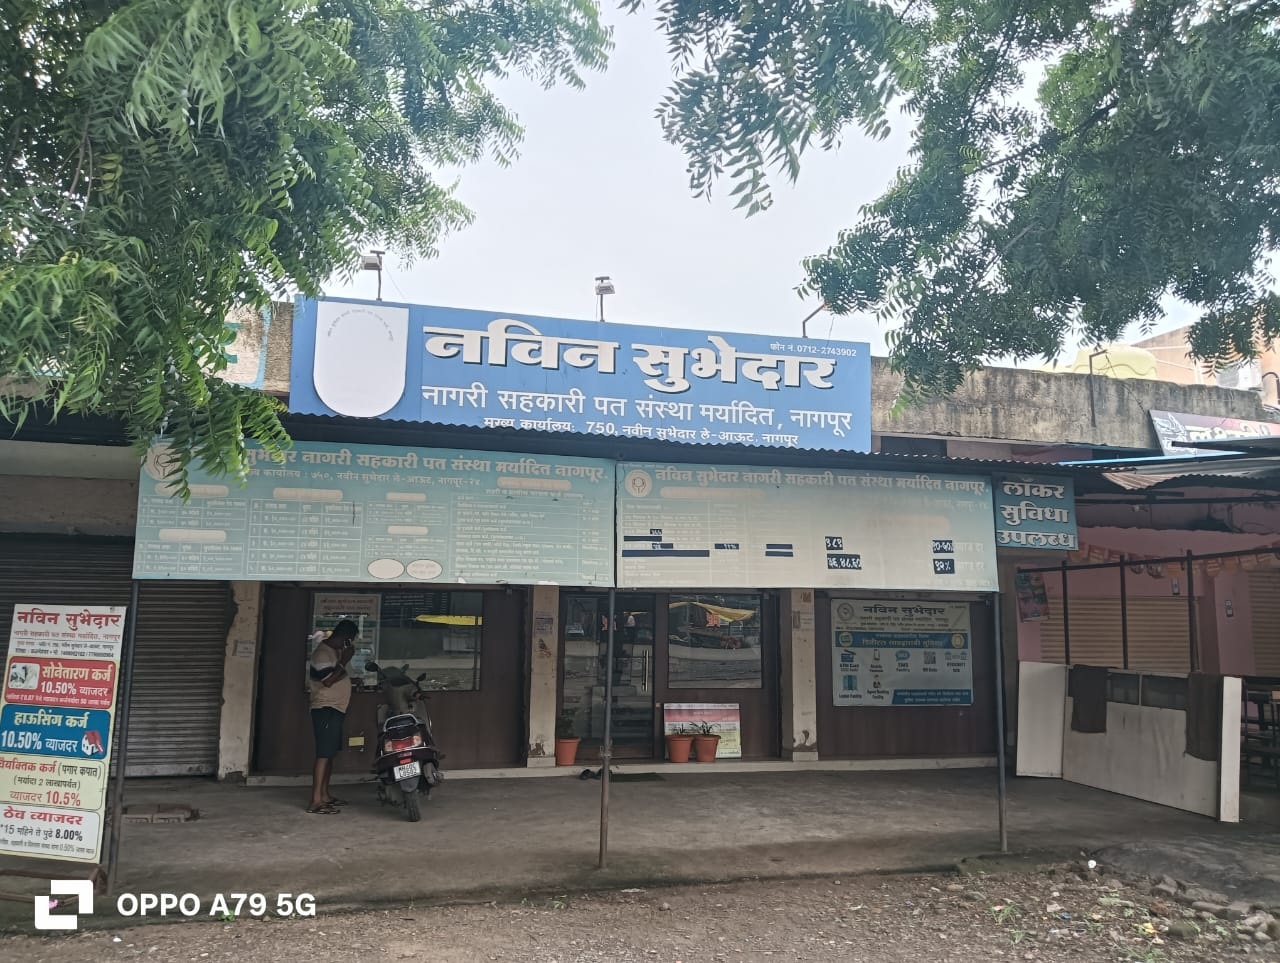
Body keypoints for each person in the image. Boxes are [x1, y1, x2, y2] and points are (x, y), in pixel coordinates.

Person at [307, 619, 357, 814]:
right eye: (349, 640)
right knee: (323, 754)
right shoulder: (322, 654)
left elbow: (339, 675)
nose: (349, 644)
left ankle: (325, 795)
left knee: (330, 754)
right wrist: (344, 660)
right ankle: (316, 801)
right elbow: (328, 681)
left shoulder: (335, 652)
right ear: (344, 637)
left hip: (336, 709)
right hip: (325, 708)